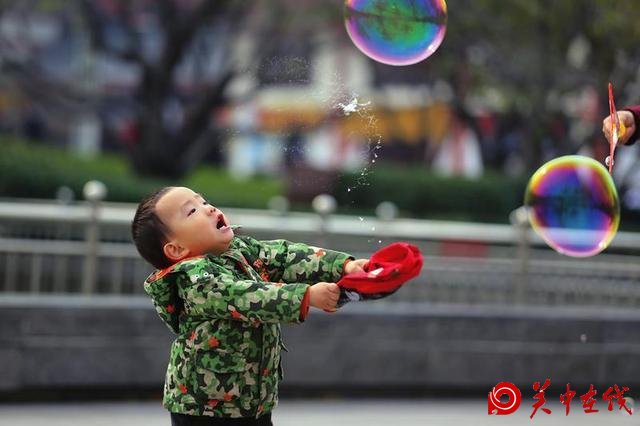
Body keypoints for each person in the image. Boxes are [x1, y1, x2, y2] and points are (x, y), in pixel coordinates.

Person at [131, 186, 368, 426]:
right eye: (192, 211)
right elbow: (245, 296)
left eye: (204, 201)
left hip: (252, 402)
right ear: (177, 249)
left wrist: (343, 266)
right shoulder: (195, 280)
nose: (209, 208)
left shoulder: (241, 251)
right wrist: (306, 296)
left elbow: (285, 256)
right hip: (204, 408)